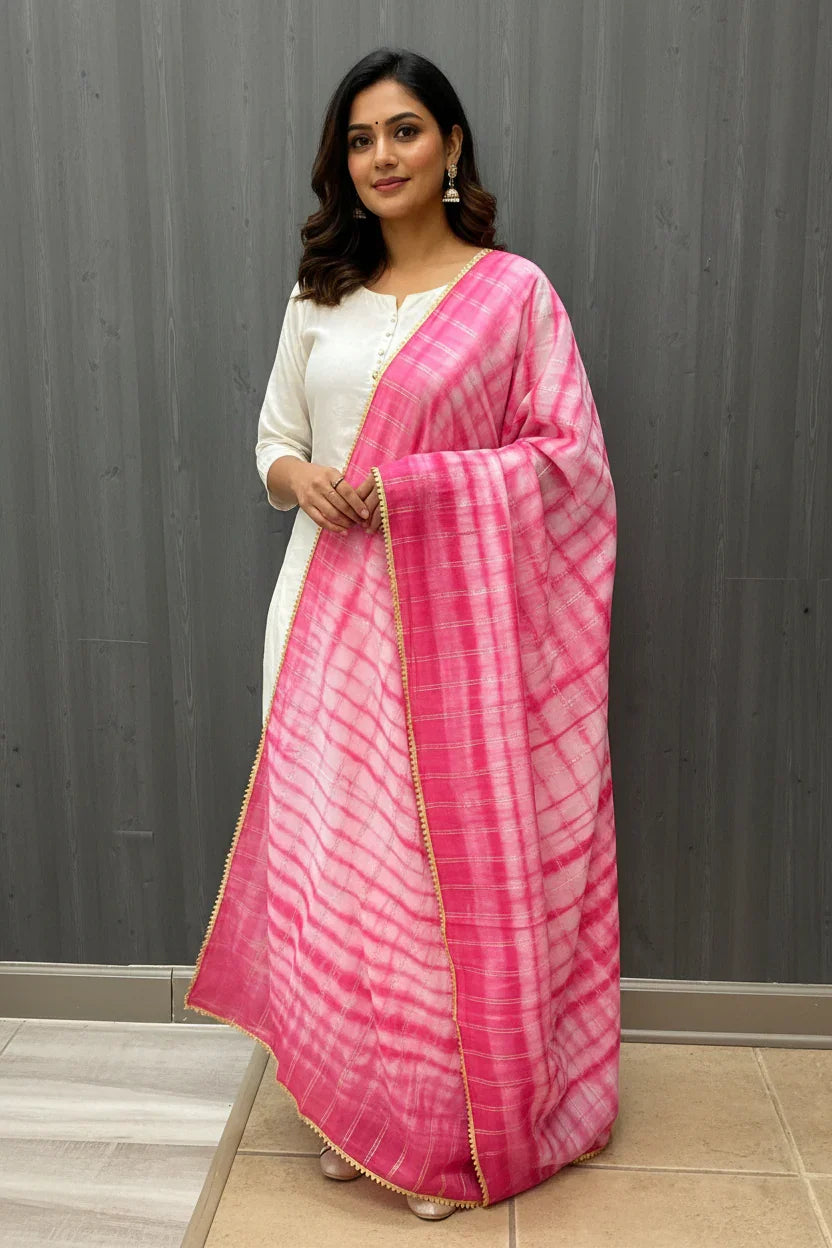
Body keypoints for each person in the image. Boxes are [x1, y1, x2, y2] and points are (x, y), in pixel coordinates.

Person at [184, 47, 620, 1222]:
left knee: (430, 885)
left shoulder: (513, 294)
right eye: (361, 139)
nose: (382, 156)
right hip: (317, 615)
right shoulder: (317, 294)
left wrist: (421, 490)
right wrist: (302, 479)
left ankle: (442, 1130)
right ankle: (355, 1109)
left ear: (450, 145)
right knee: (338, 875)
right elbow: (272, 440)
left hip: (454, 642)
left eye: (405, 131)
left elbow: (568, 464)